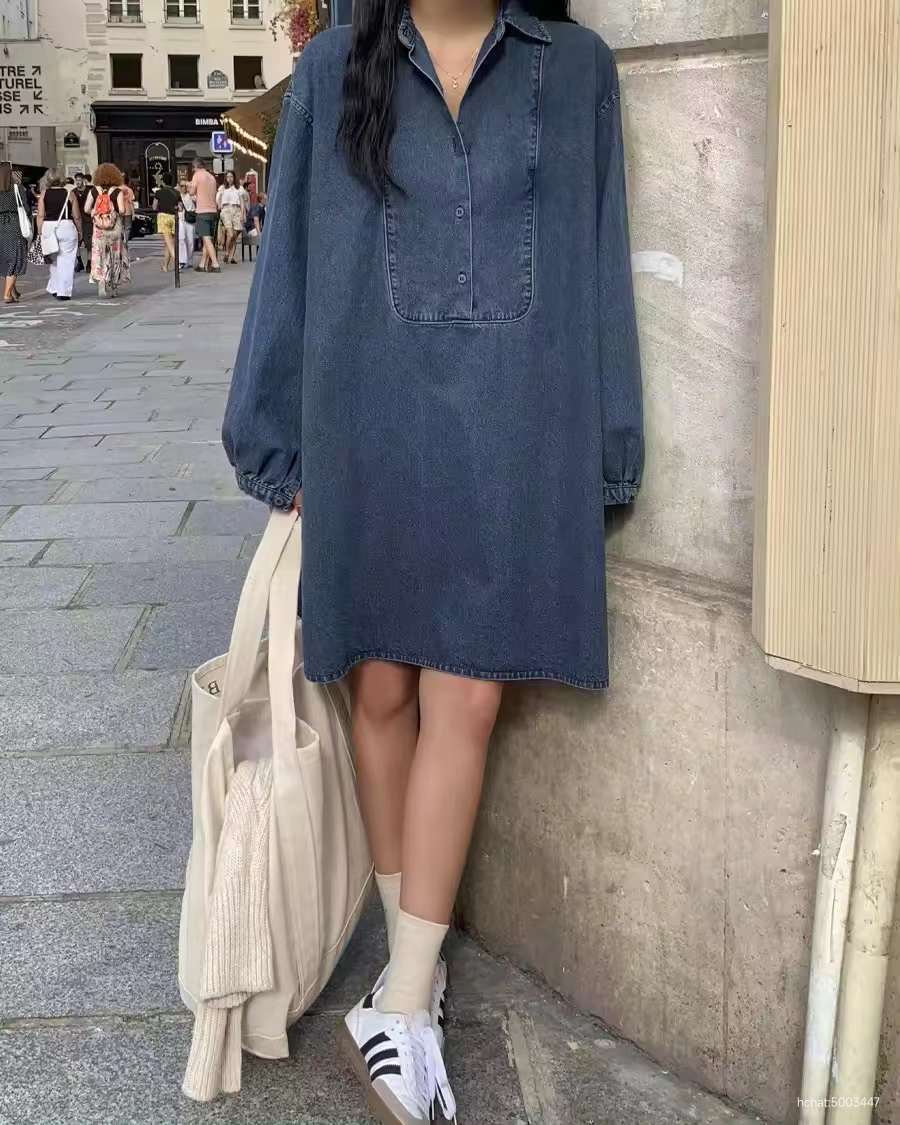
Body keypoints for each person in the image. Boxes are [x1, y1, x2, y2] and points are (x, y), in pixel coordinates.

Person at [221, 1, 644, 1121]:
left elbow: (599, 266)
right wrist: (278, 439)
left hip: (515, 429)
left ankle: (404, 997)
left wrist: (608, 451)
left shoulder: (576, 71)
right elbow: (289, 262)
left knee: (470, 695)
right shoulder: (331, 70)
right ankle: (417, 965)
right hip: (367, 418)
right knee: (380, 688)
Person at [84, 163, 130, 298]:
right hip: (114, 229)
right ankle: (114, 286)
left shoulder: (94, 191)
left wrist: (96, 212)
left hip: (99, 230)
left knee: (99, 255)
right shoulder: (117, 192)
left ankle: (101, 281)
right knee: (114, 256)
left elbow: (86, 209)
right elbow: (122, 210)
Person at [37, 174, 82, 301]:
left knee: (54, 259)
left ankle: (54, 287)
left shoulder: (44, 194)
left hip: (48, 227)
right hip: (66, 225)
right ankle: (63, 291)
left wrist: (40, 232)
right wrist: (80, 231)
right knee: (66, 259)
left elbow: (40, 215)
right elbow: (77, 216)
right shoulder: (70, 194)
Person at [0, 162, 28, 303]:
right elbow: (26, 207)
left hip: (0, 225)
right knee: (15, 259)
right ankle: (7, 294)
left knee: (5, 258)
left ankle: (13, 291)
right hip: (14, 224)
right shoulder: (17, 188)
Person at [188, 157, 220, 272]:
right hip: (213, 211)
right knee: (208, 239)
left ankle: (215, 264)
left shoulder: (197, 175)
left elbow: (192, 192)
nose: (193, 170)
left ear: (196, 166)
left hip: (203, 211)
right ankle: (202, 265)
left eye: (193, 168)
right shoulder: (211, 177)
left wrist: (188, 186)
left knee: (206, 239)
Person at [216, 170, 245, 264]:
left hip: (237, 210)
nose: (229, 179)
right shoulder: (222, 188)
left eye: (231, 176)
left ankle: (230, 256)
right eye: (228, 177)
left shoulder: (239, 188)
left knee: (235, 235)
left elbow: (242, 202)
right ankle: (227, 253)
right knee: (231, 234)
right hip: (226, 210)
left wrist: (242, 214)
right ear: (226, 178)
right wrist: (220, 205)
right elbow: (218, 200)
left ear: (234, 177)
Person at [153, 171, 180, 272]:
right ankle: (165, 266)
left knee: (168, 242)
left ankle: (177, 262)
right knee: (168, 243)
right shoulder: (176, 193)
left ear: (163, 181)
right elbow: (180, 207)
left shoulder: (159, 192)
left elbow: (154, 206)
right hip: (173, 217)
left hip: (163, 217)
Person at [72, 170, 97, 275]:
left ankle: (89, 263)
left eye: (79, 180)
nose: (78, 182)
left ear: (83, 180)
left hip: (87, 219)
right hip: (76, 219)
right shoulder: (73, 192)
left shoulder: (89, 191)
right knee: (76, 242)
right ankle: (80, 262)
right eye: (76, 180)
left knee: (88, 242)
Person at [178, 178, 196, 269]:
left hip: (190, 220)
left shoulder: (191, 195)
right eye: (182, 186)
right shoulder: (178, 196)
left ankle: (190, 260)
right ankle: (182, 261)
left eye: (185, 186)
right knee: (182, 240)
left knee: (190, 241)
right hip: (181, 219)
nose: (184, 188)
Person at [119, 173, 136, 242]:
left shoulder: (116, 189)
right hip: (128, 211)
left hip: (119, 211)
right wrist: (133, 213)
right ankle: (126, 241)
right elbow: (131, 202)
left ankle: (121, 240)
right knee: (128, 227)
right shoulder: (129, 190)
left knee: (120, 227)